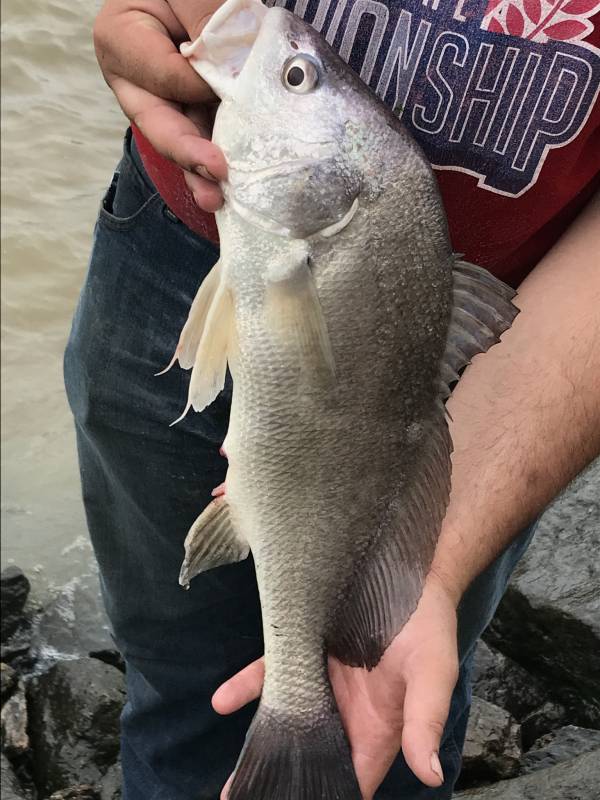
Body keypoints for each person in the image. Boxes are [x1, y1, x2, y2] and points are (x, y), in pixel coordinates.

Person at [64, 1, 600, 798]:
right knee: (179, 700)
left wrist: (435, 568)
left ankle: (303, 711)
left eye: (295, 77)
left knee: (393, 712)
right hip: (172, 242)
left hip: (502, 370)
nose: (286, 53)